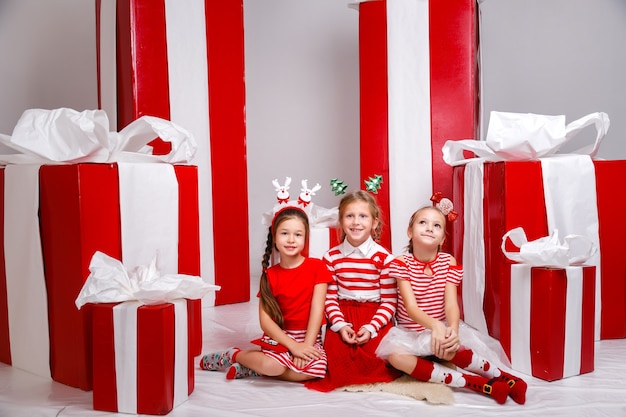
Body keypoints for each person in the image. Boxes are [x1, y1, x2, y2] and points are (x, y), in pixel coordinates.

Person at [376, 204, 528, 405]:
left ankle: (507, 378)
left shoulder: (448, 262)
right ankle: (477, 384)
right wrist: (435, 325)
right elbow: (411, 308)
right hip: (411, 333)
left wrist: (452, 331)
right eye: (423, 223)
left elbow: (451, 305)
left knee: (450, 346)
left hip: (440, 331)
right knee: (395, 357)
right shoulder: (402, 263)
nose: (430, 228)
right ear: (410, 232)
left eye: (437, 225)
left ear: (443, 238)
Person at [199, 206, 333, 382]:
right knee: (273, 366)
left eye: (298, 235)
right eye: (285, 233)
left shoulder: (317, 267)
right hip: (281, 337)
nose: (291, 240)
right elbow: (266, 322)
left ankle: (252, 368)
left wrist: (305, 346)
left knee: (312, 372)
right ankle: (235, 355)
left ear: (305, 238)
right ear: (274, 237)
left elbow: (317, 309)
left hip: (309, 336)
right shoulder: (270, 275)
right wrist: (292, 346)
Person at [305, 190, 401, 392]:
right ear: (341, 221)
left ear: (374, 223)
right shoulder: (331, 257)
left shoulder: (385, 259)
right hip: (343, 313)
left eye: (363, 216)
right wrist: (339, 325)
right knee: (336, 356)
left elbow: (389, 303)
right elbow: (329, 300)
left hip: (374, 316)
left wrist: (372, 328)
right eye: (350, 216)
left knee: (378, 356)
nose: (356, 222)